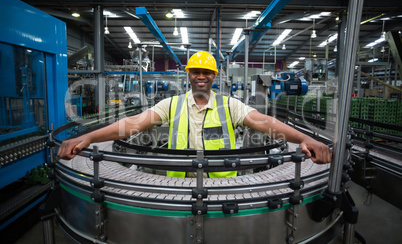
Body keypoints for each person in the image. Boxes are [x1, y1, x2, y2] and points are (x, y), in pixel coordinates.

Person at [57, 51, 331, 177]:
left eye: (206, 72)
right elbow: (132, 124)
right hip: (177, 185)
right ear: (188, 74)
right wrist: (89, 137)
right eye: (195, 72)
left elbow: (266, 122)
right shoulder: (172, 105)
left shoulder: (230, 105)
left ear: (214, 76)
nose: (201, 76)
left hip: (224, 186)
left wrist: (304, 139)